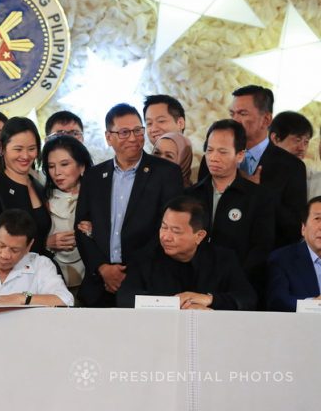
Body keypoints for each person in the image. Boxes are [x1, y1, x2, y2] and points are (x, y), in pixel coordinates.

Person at [75, 103, 183, 307]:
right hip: (99, 285)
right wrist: (102, 268)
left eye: (137, 131)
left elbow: (166, 229)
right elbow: (81, 227)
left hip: (147, 283)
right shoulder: (94, 177)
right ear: (109, 137)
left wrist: (125, 274)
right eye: (124, 132)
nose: (133, 138)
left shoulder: (166, 173)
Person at [197, 85, 306, 248]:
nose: (234, 120)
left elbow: (295, 228)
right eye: (232, 113)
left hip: (263, 262)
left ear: (266, 120)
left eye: (242, 113)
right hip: (213, 257)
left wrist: (257, 193)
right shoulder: (214, 158)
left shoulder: (291, 167)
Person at [186, 119, 274, 305]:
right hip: (191, 287)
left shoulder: (258, 198)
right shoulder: (190, 196)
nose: (214, 157)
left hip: (237, 292)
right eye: (209, 150)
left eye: (223, 151)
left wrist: (234, 277)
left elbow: (261, 248)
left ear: (240, 155)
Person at [117, 196, 257, 311]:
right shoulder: (144, 257)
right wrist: (174, 305)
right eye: (164, 227)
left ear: (200, 236)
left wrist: (209, 300)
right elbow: (125, 298)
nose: (165, 237)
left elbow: (248, 299)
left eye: (176, 231)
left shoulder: (223, 259)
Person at [0, 117, 50, 257]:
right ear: (2, 149)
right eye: (18, 149)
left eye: (31, 149)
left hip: (42, 269)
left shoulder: (38, 185)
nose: (25, 155)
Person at [41, 135, 93, 301]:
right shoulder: (41, 199)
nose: (57, 172)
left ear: (82, 166)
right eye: (51, 166)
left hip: (92, 281)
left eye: (64, 164)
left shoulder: (98, 197)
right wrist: (47, 242)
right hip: (52, 282)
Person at [268, 196, 321, 311]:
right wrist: (314, 304)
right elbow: (278, 300)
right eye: (317, 219)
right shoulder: (282, 259)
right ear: (303, 228)